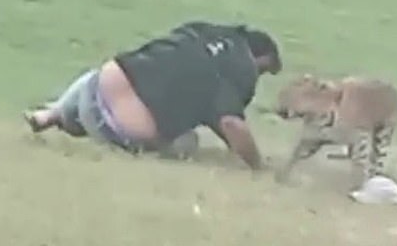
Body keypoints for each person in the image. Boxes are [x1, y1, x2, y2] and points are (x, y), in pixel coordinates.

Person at [23, 21, 282, 170]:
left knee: (100, 75)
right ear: (259, 59)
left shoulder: (201, 31)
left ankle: (51, 113)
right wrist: (257, 166)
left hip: (91, 92)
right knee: (188, 141)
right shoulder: (242, 68)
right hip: (116, 132)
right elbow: (230, 123)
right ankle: (64, 116)